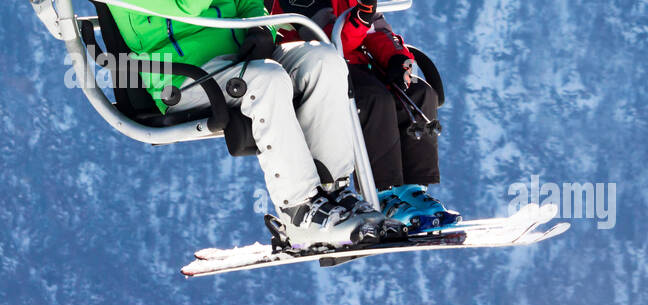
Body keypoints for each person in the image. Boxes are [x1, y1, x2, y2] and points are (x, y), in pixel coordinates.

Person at [104, 0, 404, 247]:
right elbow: (186, 8)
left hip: (242, 60)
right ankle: (298, 211)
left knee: (323, 60)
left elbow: (249, 2)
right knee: (267, 81)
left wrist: (261, 29)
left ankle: (334, 192)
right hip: (186, 77)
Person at [266, 0, 460, 231]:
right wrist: (359, 20)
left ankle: (411, 190)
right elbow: (324, 42)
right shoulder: (285, 4)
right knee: (374, 99)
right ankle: (382, 192)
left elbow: (376, 30)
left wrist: (395, 58)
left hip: (360, 64)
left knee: (420, 93)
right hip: (321, 73)